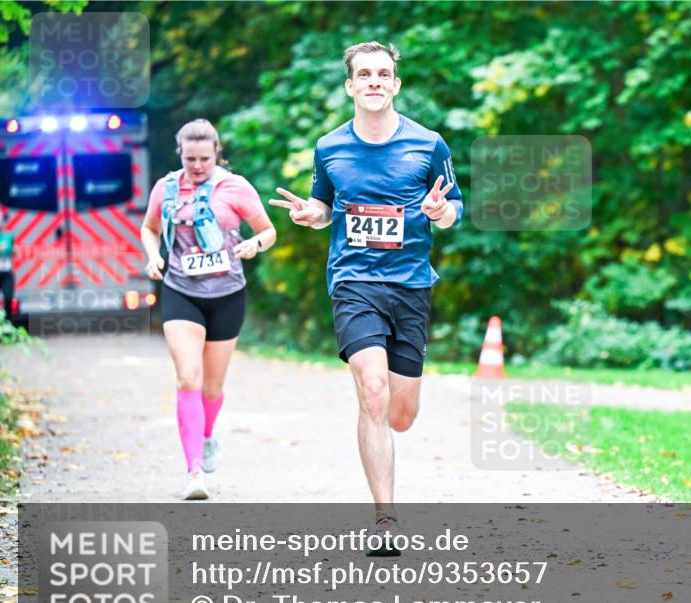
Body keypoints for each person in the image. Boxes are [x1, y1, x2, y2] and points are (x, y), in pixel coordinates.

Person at [270, 41, 462, 552]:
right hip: (354, 283)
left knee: (401, 414)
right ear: (351, 85)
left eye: (383, 73)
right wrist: (314, 215)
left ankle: (391, 458)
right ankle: (385, 519)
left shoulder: (429, 144)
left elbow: (453, 211)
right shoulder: (329, 147)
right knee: (371, 391)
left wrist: (441, 212)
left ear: (395, 84)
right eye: (365, 74)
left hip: (412, 285)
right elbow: (324, 205)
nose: (375, 81)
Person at [141, 119, 277, 500]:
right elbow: (149, 227)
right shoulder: (167, 188)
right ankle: (194, 471)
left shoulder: (235, 187)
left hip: (227, 293)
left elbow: (267, 229)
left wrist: (256, 245)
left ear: (216, 153)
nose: (197, 166)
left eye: (204, 158)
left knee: (213, 387)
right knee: (188, 378)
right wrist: (153, 257)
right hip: (181, 290)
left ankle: (206, 433)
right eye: (189, 159)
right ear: (180, 155)